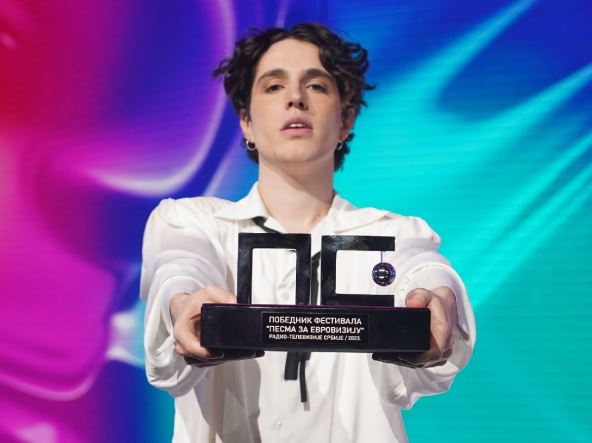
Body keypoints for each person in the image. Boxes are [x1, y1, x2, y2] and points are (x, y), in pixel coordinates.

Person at [141, 23, 476, 443]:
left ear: (346, 119)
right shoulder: (192, 222)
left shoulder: (393, 233)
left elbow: (422, 266)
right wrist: (184, 304)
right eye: (273, 86)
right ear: (246, 121)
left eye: (316, 86)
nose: (295, 98)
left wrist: (437, 299)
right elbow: (181, 264)